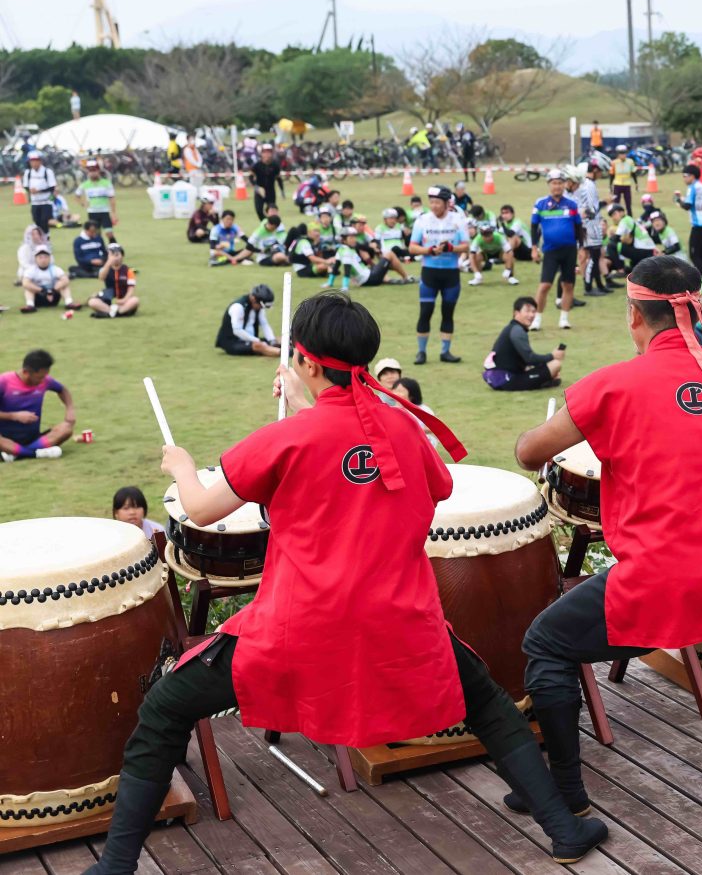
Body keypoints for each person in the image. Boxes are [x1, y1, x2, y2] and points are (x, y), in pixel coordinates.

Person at [84, 292, 607, 875]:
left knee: (163, 708)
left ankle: (115, 867)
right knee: (488, 704)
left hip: (296, 631)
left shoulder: (286, 438)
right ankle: (563, 828)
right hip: (402, 624)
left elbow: (203, 508)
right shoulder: (404, 429)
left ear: (305, 363)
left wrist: (181, 465)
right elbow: (437, 488)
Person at [509, 256, 702, 823]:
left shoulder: (609, 385)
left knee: (546, 645)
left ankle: (566, 794)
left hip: (658, 583)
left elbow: (531, 452)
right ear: (698, 310)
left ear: (635, 314)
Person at [409, 186, 468, 365]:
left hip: (450, 273)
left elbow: (466, 246)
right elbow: (412, 247)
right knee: (425, 312)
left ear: (446, 203)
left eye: (438, 202)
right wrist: (429, 250)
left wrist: (451, 248)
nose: (434, 206)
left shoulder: (458, 219)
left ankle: (445, 352)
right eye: (432, 202)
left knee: (447, 313)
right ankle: (421, 352)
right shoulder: (422, 220)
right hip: (430, 272)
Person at [0, 350, 74, 462]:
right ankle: (36, 453)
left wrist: (70, 409)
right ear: (25, 372)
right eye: (39, 378)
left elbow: (62, 390)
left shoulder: (45, 380)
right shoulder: (4, 381)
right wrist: (14, 416)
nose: (43, 381)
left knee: (66, 429)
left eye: (45, 376)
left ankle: (16, 453)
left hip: (33, 438)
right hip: (4, 439)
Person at [531, 173, 583, 331]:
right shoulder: (540, 204)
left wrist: (581, 248)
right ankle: (536, 320)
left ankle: (564, 318)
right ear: (549, 184)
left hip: (569, 250)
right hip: (550, 251)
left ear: (564, 185)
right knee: (545, 285)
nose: (557, 186)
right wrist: (534, 247)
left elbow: (578, 227)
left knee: (568, 285)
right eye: (554, 183)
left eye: (560, 183)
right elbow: (534, 227)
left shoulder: (572, 204)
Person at [485, 297, 566, 391]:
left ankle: (546, 379)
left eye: (534, 311)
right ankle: (544, 382)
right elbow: (530, 358)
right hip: (507, 380)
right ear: (516, 313)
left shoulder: (511, 328)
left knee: (548, 368)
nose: (531, 315)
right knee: (555, 364)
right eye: (527, 311)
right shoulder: (518, 331)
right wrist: (552, 356)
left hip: (496, 378)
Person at [572, 164, 608, 297]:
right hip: (589, 225)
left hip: (588, 224)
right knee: (594, 256)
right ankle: (588, 286)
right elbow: (592, 209)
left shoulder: (584, 185)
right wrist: (605, 203)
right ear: (595, 171)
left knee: (594, 255)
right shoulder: (588, 185)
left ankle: (599, 285)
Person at [215, 284, 280, 357]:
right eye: (261, 306)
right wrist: (257, 341)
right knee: (259, 346)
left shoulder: (259, 307)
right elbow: (237, 331)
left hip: (250, 339)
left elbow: (264, 324)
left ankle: (285, 348)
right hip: (233, 343)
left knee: (278, 339)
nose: (262, 308)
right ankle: (286, 353)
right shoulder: (238, 307)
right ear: (253, 299)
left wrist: (272, 340)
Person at [677, 164, 702, 279]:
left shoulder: (692, 187)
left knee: (694, 254)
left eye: (685, 175)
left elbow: (687, 205)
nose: (684, 178)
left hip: (698, 224)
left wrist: (679, 200)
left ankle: (701, 280)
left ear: (692, 176)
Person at [89, 244, 139, 319]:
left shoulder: (128, 271)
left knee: (135, 300)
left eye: (117, 255)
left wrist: (124, 300)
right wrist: (109, 262)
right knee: (92, 302)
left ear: (122, 256)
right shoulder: (106, 268)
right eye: (111, 255)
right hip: (108, 300)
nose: (115, 258)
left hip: (123, 300)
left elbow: (131, 289)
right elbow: (101, 277)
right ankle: (116, 313)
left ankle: (112, 313)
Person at [20, 248, 76, 313]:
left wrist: (53, 290)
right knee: (28, 288)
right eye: (40, 257)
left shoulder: (55, 269)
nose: (43, 260)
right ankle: (30, 305)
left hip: (53, 295)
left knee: (64, 285)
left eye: (45, 257)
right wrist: (42, 290)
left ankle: (69, 303)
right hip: (38, 296)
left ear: (49, 258)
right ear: (35, 259)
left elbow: (65, 280)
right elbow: (25, 283)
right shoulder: (31, 270)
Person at [468, 215, 515, 286]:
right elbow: (471, 256)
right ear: (481, 235)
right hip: (486, 253)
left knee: (509, 257)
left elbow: (510, 252)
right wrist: (476, 272)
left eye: (489, 234)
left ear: (492, 233)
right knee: (476, 258)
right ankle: (478, 278)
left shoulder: (499, 237)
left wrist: (508, 269)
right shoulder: (477, 239)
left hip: (499, 252)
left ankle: (510, 277)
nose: (487, 237)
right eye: (485, 235)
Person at [77, 158, 118, 237]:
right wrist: (83, 204)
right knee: (95, 234)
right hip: (92, 212)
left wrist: (113, 213)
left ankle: (113, 248)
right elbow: (77, 195)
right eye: (90, 171)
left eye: (94, 170)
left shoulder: (106, 183)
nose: (92, 173)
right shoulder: (85, 184)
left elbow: (112, 198)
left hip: (104, 211)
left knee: (109, 233)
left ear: (98, 171)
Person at [250, 144, 285, 221]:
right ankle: (264, 224)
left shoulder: (275, 165)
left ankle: (272, 225)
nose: (267, 154)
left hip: (271, 191)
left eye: (269, 152)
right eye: (265, 152)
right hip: (259, 191)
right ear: (261, 153)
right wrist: (257, 187)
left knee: (272, 211)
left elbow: (279, 179)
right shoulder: (257, 165)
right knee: (259, 210)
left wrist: (282, 190)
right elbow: (251, 177)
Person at [23, 150, 56, 232]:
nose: (34, 163)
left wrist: (39, 191)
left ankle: (46, 241)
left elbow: (52, 187)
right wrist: (30, 190)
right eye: (32, 161)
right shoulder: (28, 173)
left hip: (46, 202)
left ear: (40, 161)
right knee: (37, 223)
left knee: (44, 222)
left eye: (36, 161)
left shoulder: (47, 172)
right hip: (35, 202)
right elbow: (26, 186)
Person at [610, 143, 636, 215]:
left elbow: (633, 173)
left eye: (624, 153)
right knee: (616, 203)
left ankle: (630, 218)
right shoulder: (614, 162)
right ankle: (616, 217)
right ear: (618, 154)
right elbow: (612, 175)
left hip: (627, 185)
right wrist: (610, 185)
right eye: (620, 153)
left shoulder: (630, 162)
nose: (622, 155)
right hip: (617, 185)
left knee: (628, 204)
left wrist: (636, 183)